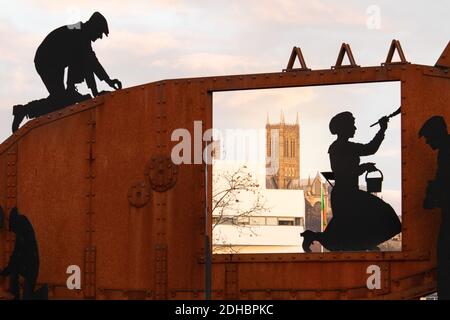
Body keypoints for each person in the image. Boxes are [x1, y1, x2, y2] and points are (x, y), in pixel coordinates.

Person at [301, 111, 401, 252]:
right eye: (352, 125)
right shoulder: (342, 147)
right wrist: (382, 129)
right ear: (344, 128)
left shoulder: (341, 147)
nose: (355, 128)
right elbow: (348, 168)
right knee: (387, 218)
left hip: (347, 195)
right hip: (347, 195)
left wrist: (363, 167)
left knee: (349, 231)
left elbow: (365, 153)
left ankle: (315, 237)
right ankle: (364, 244)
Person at [12, 12, 122, 132]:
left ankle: (24, 110)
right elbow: (88, 65)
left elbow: (91, 61)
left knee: (61, 99)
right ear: (93, 27)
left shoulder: (81, 33)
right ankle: (23, 110)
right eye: (100, 33)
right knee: (60, 99)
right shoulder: (79, 35)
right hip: (46, 61)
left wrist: (108, 81)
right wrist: (95, 91)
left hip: (54, 62)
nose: (100, 37)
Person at [419, 115, 450, 300]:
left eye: (429, 138)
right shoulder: (445, 149)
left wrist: (432, 196)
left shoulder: (446, 150)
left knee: (445, 257)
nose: (428, 143)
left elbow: (442, 179)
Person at [0, 208, 40, 300]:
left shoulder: (20, 225)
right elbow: (18, 254)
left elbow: (18, 255)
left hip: (28, 270)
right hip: (29, 269)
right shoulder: (21, 224)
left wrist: (7, 272)